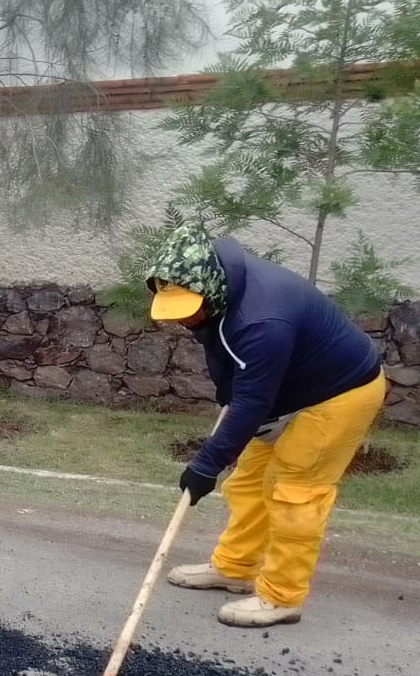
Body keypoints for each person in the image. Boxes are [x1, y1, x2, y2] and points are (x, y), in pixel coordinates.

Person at [144, 223, 386, 627]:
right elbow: (235, 368)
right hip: (288, 389)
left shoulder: (262, 321)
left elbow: (252, 403)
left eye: (192, 311)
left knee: (294, 491)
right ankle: (235, 568)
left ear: (211, 289)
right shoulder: (213, 282)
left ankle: (281, 597)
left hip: (338, 394)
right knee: (249, 482)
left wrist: (206, 466)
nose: (187, 322)